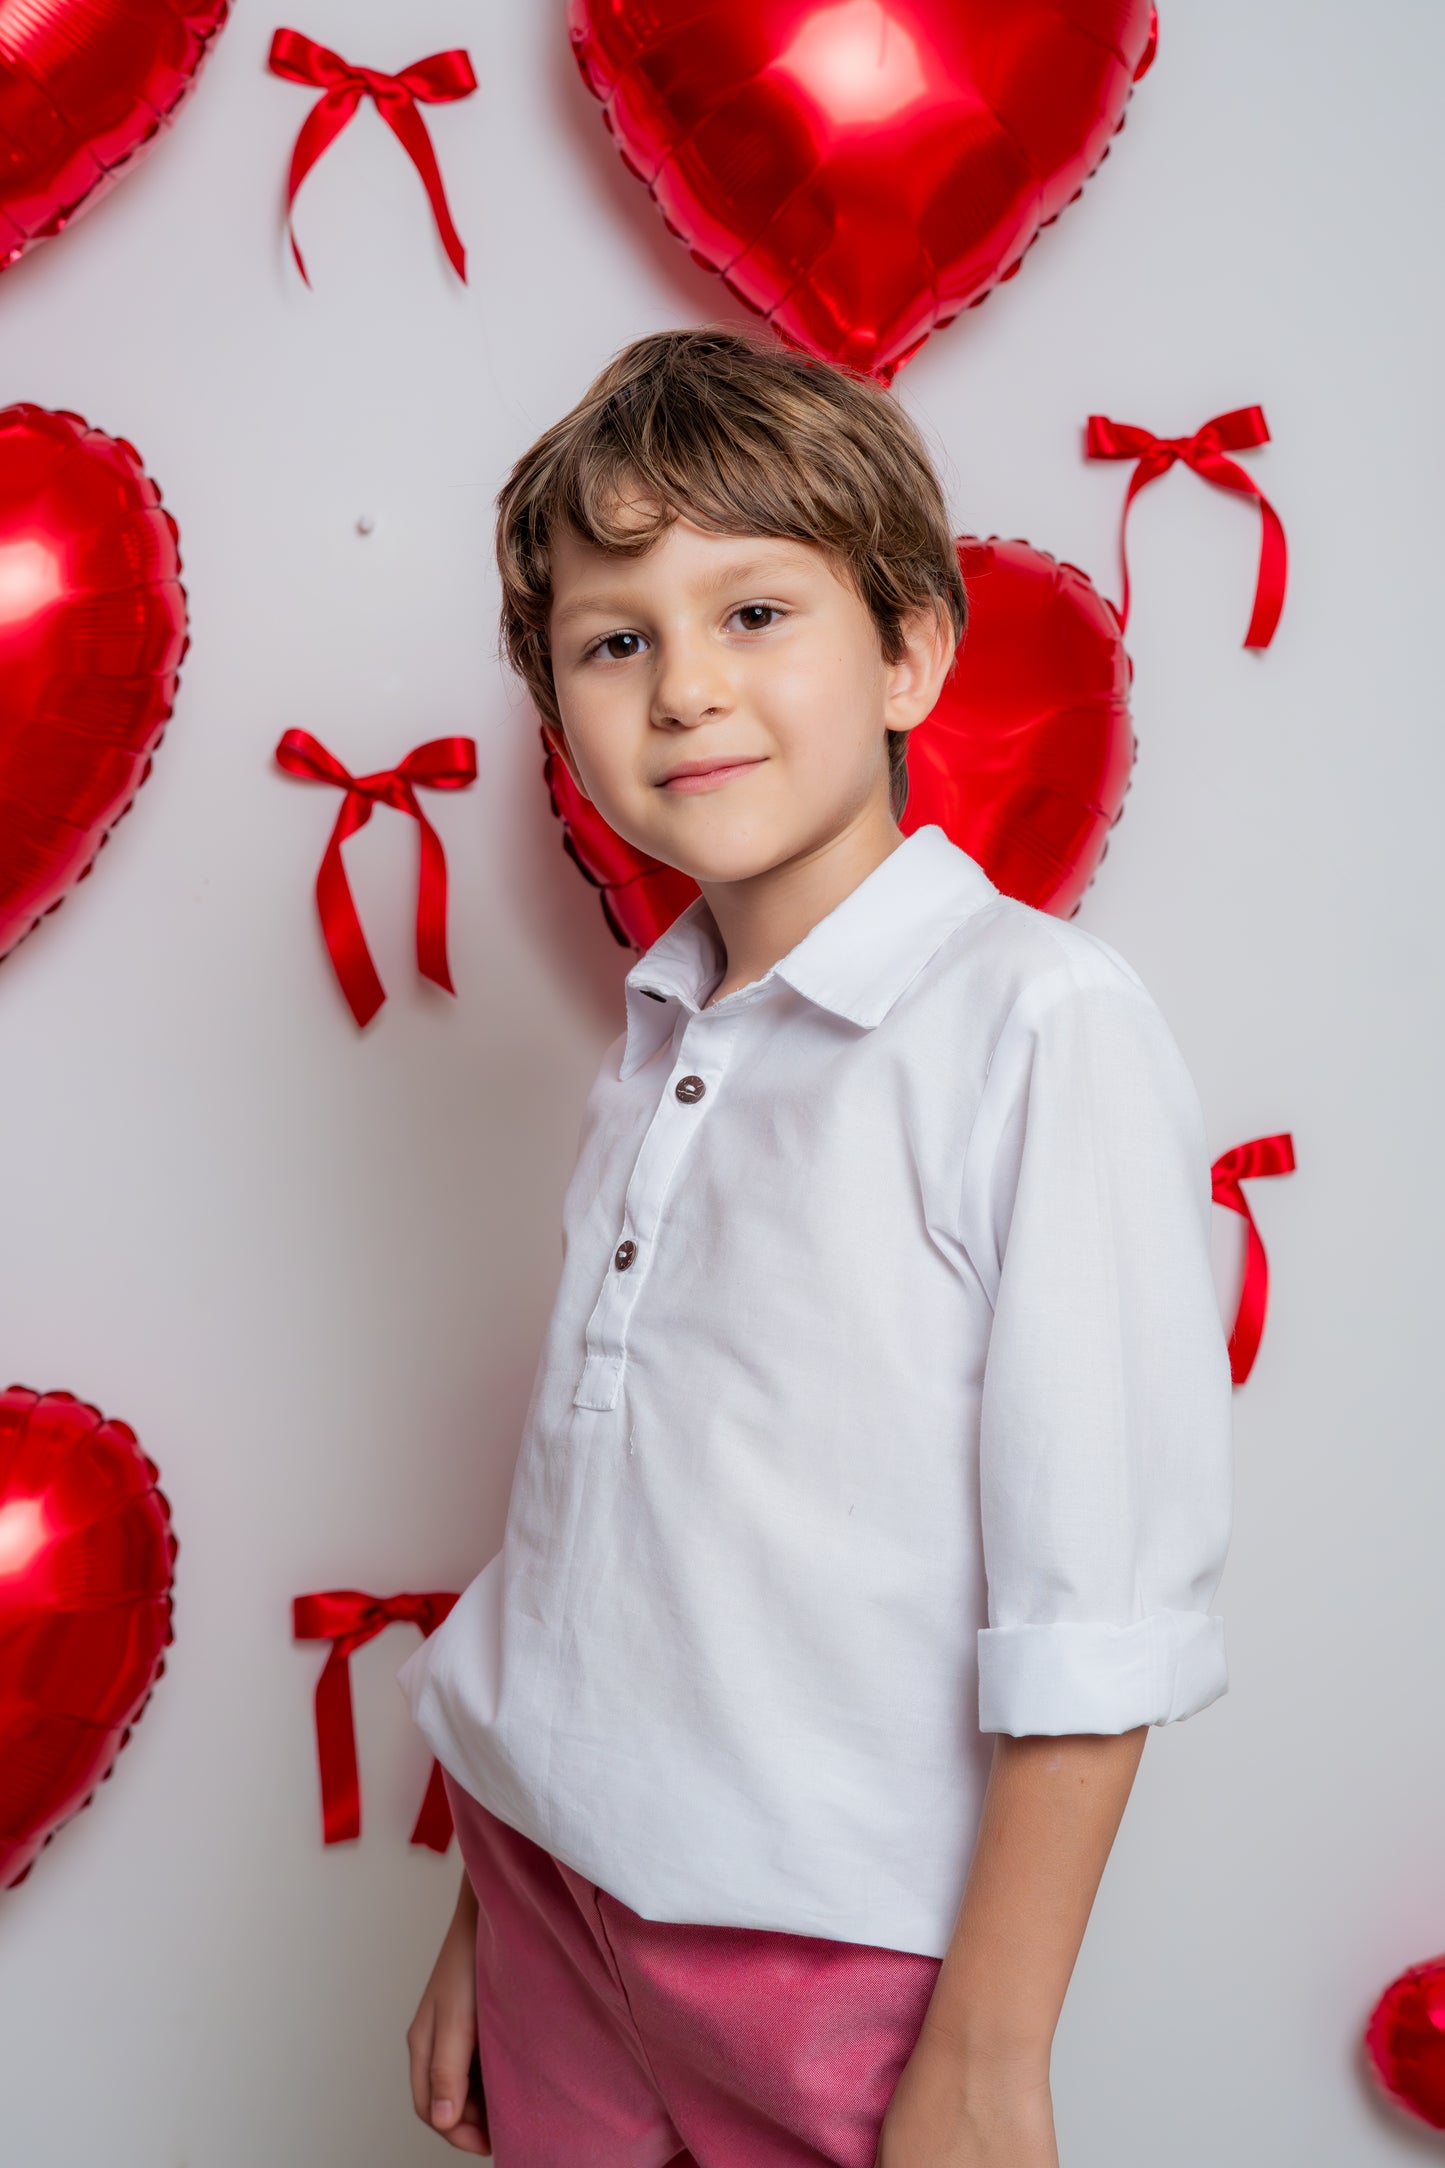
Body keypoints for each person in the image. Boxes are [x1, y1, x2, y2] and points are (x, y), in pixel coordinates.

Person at [398, 325, 1233, 2168]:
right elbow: (586, 1529)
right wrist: (491, 1895)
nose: (684, 688)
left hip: (828, 1961)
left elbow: (1091, 1612)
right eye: (617, 643)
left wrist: (986, 2058)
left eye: (754, 613)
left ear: (909, 650)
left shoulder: (1035, 1022)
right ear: (561, 714)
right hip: (556, 1909)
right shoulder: (657, 1038)